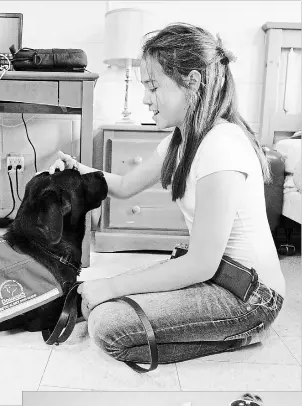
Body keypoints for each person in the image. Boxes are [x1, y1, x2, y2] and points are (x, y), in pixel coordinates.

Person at [48, 23, 285, 365]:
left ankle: (240, 333)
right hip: (219, 276)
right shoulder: (181, 139)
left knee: (108, 327)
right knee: (103, 302)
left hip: (250, 297)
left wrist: (113, 285)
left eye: (153, 87)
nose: (146, 98)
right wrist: (79, 169)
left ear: (192, 82)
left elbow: (200, 263)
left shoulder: (223, 145)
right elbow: (126, 186)